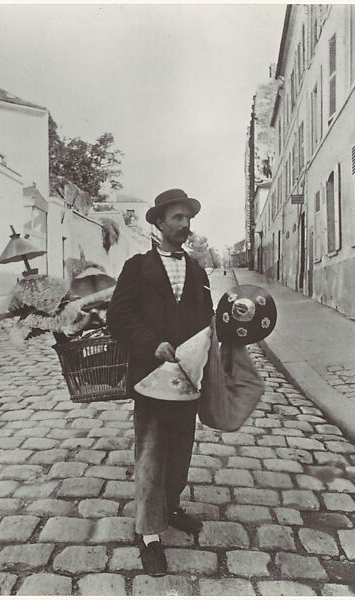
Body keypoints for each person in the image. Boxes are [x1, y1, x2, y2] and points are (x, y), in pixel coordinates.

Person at [107, 188, 214, 576]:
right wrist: (152, 345)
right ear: (159, 222)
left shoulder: (198, 270)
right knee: (151, 451)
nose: (185, 226)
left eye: (188, 219)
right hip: (150, 377)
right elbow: (118, 316)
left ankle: (170, 506)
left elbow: (207, 322)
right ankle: (149, 534)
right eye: (178, 218)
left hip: (186, 380)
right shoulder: (137, 267)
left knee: (181, 451)